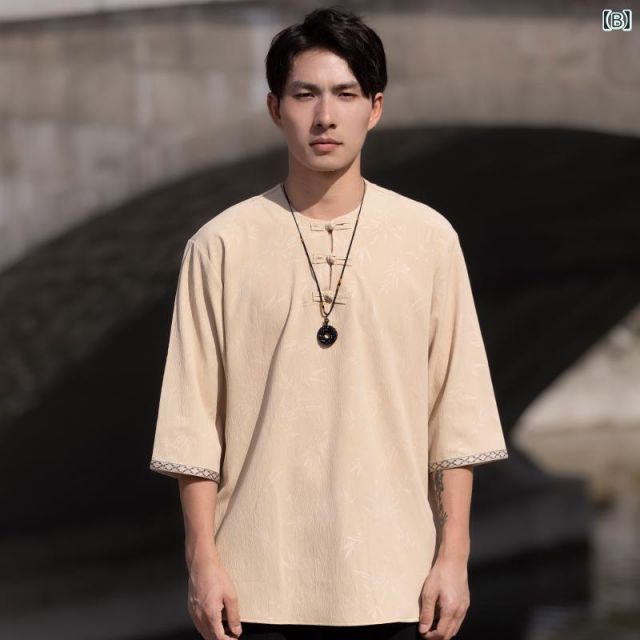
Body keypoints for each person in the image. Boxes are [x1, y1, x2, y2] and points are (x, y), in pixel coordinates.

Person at [148, 6, 509, 640]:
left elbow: (457, 411)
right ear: (274, 108)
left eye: (345, 94)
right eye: (304, 94)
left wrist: (454, 559)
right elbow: (192, 421)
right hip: (256, 588)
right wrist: (203, 563)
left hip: (400, 583)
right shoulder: (220, 246)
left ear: (375, 108)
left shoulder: (428, 239)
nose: (325, 116)